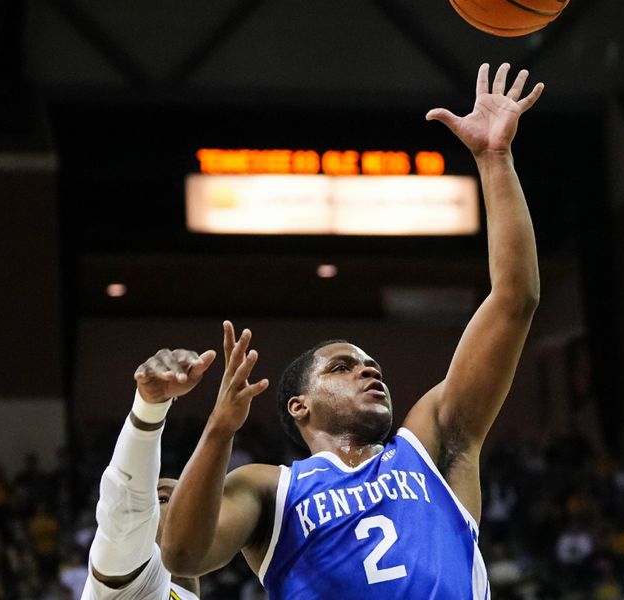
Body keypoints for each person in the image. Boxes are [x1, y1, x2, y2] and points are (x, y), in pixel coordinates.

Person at [160, 62, 543, 599]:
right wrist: (220, 430)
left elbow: (514, 300)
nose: (367, 371)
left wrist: (495, 159)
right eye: (342, 367)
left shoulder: (433, 445)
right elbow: (182, 554)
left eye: (372, 366)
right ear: (299, 406)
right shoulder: (270, 488)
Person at [81, 347, 217, 599]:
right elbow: (128, 509)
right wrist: (149, 410)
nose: (184, 508)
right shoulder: (128, 580)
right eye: (163, 499)